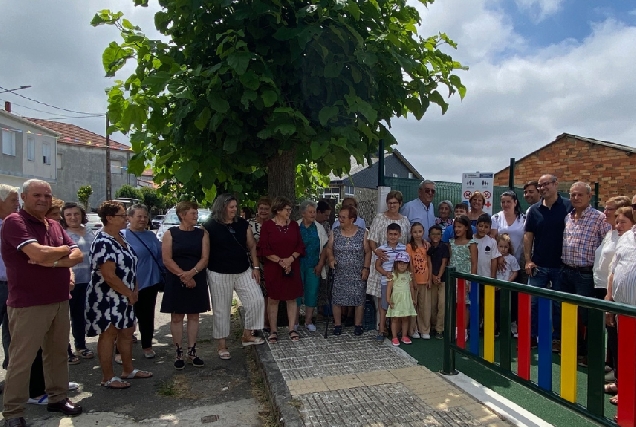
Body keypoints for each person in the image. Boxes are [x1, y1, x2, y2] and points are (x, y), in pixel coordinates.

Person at [2, 179, 84, 425]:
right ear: (24, 197)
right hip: (29, 303)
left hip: (59, 298)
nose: (43, 200)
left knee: (57, 353)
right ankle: (13, 413)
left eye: (47, 196)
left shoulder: (53, 224)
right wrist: (60, 252)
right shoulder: (14, 222)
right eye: (37, 195)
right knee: (22, 359)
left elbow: (77, 254)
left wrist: (54, 259)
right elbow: (36, 254)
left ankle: (57, 398)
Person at [86, 200, 153, 390]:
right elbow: (109, 275)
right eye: (122, 215)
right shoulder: (102, 241)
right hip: (108, 297)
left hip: (126, 296)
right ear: (109, 218)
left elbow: (131, 266)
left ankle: (128, 369)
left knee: (127, 332)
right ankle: (108, 377)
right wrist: (128, 293)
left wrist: (135, 289)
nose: (125, 219)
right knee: (109, 334)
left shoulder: (120, 238)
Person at [205, 195, 265, 358]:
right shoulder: (210, 226)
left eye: (235, 206)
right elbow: (205, 251)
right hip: (218, 272)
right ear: (221, 207)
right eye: (231, 206)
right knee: (221, 309)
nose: (234, 209)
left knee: (256, 299)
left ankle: (247, 335)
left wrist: (256, 267)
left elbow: (252, 246)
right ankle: (222, 345)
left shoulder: (242, 224)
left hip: (243, 270)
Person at [560, 182, 611, 362]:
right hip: (566, 271)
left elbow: (609, 244)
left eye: (580, 195)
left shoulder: (599, 218)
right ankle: (575, 349)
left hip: (586, 274)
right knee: (569, 313)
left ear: (590, 197)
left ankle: (592, 354)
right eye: (573, 195)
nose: (576, 198)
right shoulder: (568, 217)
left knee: (588, 316)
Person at [524, 174, 572, 349]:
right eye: (540, 185)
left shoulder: (568, 206)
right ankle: (531, 336)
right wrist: (528, 260)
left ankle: (557, 339)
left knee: (559, 305)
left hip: (562, 265)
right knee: (532, 302)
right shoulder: (534, 210)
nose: (543, 188)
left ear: (555, 184)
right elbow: (528, 236)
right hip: (539, 265)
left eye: (546, 184)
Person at [161, 201, 211, 367]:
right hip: (176, 279)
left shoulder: (202, 234)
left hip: (196, 277)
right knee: (176, 316)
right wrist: (183, 275)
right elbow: (167, 259)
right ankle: (178, 352)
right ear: (182, 215)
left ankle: (192, 350)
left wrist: (191, 274)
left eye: (196, 213)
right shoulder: (170, 233)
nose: (196, 216)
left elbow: (205, 258)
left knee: (194, 315)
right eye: (193, 213)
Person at [593, 196, 631, 390]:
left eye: (611, 210)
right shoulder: (612, 233)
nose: (605, 212)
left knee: (619, 335)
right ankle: (616, 370)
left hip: (622, 296)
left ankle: (620, 376)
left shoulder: (625, 235)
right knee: (613, 332)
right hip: (605, 288)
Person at [258, 197, 305, 343]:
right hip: (274, 267)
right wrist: (280, 261)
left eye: (290, 209)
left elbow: (300, 246)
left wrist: (290, 259)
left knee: (292, 298)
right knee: (273, 299)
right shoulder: (268, 226)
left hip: (292, 265)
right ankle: (273, 330)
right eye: (287, 209)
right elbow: (263, 248)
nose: (289, 212)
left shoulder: (294, 226)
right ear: (278, 210)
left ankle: (292, 328)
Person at [122, 204, 164, 359]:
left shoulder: (151, 236)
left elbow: (160, 256)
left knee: (147, 316)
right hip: (128, 285)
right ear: (129, 217)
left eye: (145, 216)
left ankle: (147, 345)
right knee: (126, 318)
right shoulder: (121, 235)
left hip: (150, 283)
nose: (142, 219)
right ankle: (120, 351)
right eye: (139, 216)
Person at [604, 206, 636, 406]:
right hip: (622, 307)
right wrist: (609, 301)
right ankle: (623, 385)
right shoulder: (626, 237)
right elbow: (613, 270)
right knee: (624, 351)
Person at [367, 190, 411, 332]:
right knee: (382, 298)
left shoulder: (404, 221)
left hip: (399, 265)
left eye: (395, 203)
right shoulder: (379, 218)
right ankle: (381, 326)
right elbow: (372, 239)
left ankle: (395, 328)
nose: (392, 205)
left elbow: (408, 242)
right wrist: (376, 251)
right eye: (390, 202)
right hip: (383, 260)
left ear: (400, 204)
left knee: (397, 295)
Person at [326, 205, 371, 336]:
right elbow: (329, 248)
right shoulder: (335, 232)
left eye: (343, 217)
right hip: (340, 272)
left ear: (352, 219)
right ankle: (337, 325)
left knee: (358, 298)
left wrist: (366, 268)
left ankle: (358, 325)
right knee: (337, 298)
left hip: (357, 272)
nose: (340, 219)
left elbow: (368, 252)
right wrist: (331, 258)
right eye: (339, 217)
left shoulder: (363, 233)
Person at [60, 202, 95, 361]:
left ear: (82, 215)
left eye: (76, 214)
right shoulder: (61, 234)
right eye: (68, 215)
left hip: (89, 281)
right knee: (64, 318)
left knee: (81, 316)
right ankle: (65, 350)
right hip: (70, 282)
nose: (73, 217)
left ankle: (81, 346)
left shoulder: (89, 232)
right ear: (64, 218)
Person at [490, 190, 525, 336]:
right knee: (499, 296)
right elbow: (493, 239)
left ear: (515, 202)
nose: (505, 204)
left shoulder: (524, 218)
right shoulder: (496, 217)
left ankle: (514, 324)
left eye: (508, 201)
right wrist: (498, 257)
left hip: (519, 262)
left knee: (516, 296)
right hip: (501, 263)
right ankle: (497, 324)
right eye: (503, 201)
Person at [296, 200, 328, 332]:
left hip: (314, 265)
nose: (313, 214)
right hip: (297, 264)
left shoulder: (319, 228)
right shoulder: (295, 226)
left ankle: (308, 321)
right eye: (310, 212)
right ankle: (295, 321)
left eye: (314, 211)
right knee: (296, 293)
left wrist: (321, 264)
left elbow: (325, 247)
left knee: (312, 292)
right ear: (303, 213)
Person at [374, 223, 408, 340]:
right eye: (390, 234)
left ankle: (397, 331)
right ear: (386, 235)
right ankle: (381, 330)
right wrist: (385, 273)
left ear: (400, 235)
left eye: (395, 234)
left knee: (397, 306)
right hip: (386, 281)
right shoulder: (382, 249)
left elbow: (408, 265)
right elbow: (377, 266)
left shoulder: (403, 248)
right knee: (384, 306)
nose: (393, 237)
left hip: (400, 284)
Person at [0, 185, 20, 372]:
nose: (17, 204)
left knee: (12, 332)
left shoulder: (15, 225)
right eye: (13, 200)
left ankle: (12, 371)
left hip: (14, 286)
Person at [448, 215, 477, 334]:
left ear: (466, 227)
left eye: (459, 226)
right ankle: (456, 328)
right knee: (455, 304)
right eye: (455, 227)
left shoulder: (472, 243)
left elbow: (474, 263)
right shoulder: (451, 242)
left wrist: (471, 281)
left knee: (464, 304)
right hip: (453, 278)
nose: (457, 229)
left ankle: (463, 330)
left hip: (465, 278)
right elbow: (450, 260)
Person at [248, 197, 272, 331]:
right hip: (253, 265)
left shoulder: (274, 224)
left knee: (267, 294)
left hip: (270, 264)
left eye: (266, 209)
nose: (263, 211)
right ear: (257, 209)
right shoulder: (249, 224)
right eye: (261, 208)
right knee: (254, 295)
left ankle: (266, 322)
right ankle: (254, 325)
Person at [406, 223, 431, 339]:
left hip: (425, 281)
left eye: (420, 231)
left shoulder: (426, 246)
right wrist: (413, 280)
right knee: (413, 305)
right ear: (411, 233)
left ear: (423, 232)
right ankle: (413, 329)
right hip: (414, 281)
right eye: (415, 232)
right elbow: (410, 264)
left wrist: (429, 278)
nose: (417, 234)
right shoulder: (409, 247)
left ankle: (424, 329)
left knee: (424, 307)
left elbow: (429, 263)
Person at [386, 252, 417, 346]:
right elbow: (389, 288)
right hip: (396, 300)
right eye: (400, 263)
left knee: (405, 318)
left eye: (405, 263)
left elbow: (411, 287)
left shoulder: (409, 275)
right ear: (396, 264)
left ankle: (404, 335)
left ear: (408, 264)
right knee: (395, 319)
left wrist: (413, 298)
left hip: (406, 300)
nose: (402, 265)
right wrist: (388, 299)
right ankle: (394, 337)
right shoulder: (393, 275)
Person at [427, 225, 449, 339]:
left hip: (443, 280)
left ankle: (439, 329)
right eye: (433, 234)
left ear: (441, 235)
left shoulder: (444, 247)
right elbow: (428, 263)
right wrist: (433, 277)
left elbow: (444, 262)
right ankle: (432, 326)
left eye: (438, 234)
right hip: (432, 279)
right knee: (432, 305)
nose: (435, 236)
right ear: (429, 236)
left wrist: (439, 276)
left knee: (442, 305)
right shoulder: (429, 248)